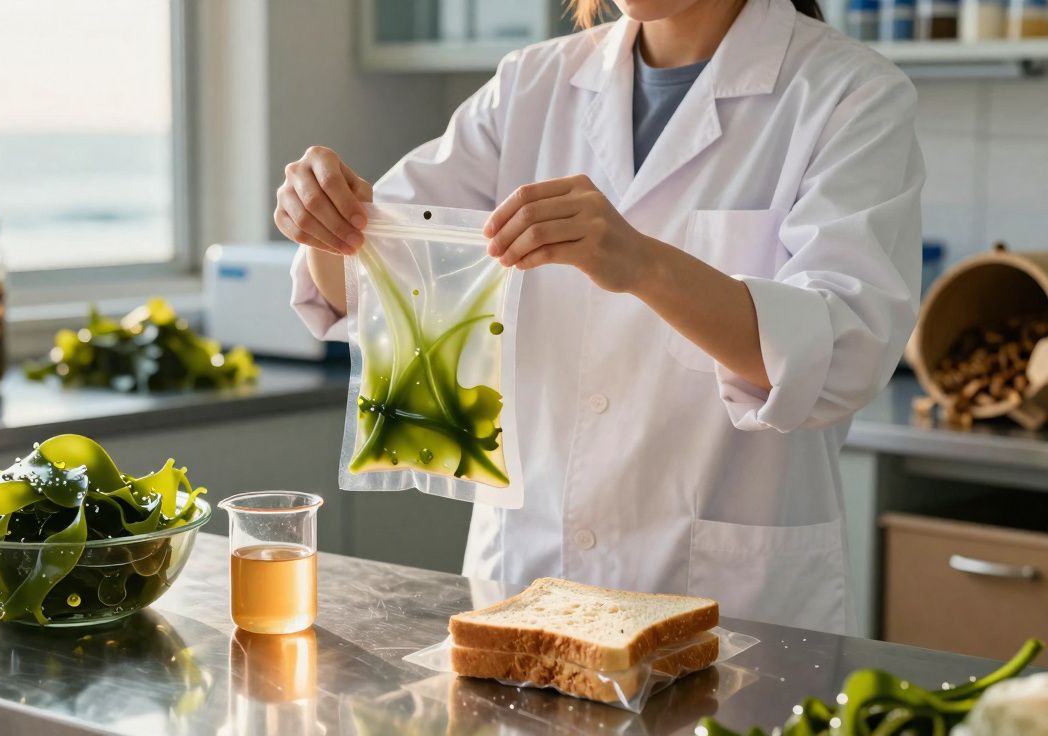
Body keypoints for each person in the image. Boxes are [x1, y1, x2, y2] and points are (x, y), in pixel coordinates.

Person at [283, 0, 922, 634]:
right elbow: (370, 287)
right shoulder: (527, 87)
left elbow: (842, 354)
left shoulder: (849, 94)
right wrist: (325, 225)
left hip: (729, 609)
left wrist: (645, 264)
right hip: (524, 587)